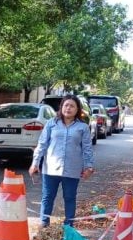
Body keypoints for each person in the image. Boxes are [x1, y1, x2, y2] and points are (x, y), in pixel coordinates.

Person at [28, 95, 95, 227]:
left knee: (70, 198)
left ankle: (69, 226)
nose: (68, 108)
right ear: (61, 107)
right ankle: (44, 223)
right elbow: (42, 144)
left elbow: (87, 148)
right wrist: (35, 163)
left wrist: (89, 167)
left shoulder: (83, 127)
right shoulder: (51, 123)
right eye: (66, 105)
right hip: (51, 168)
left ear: (77, 109)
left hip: (72, 169)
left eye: (72, 106)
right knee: (47, 197)